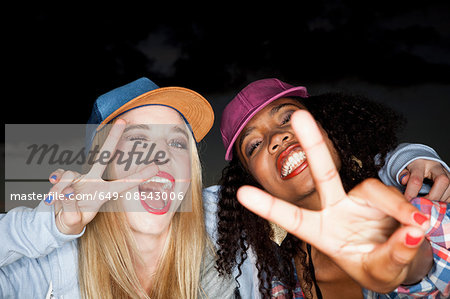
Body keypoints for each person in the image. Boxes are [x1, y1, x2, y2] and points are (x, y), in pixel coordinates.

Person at [210, 78, 450, 298]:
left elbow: (431, 252)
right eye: (254, 145)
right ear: (255, 181)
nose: (276, 137)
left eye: (287, 118)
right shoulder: (278, 277)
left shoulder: (420, 204)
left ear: (327, 128)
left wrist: (407, 261)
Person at [0, 78, 236, 298]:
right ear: (103, 168)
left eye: (176, 142)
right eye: (138, 140)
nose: (161, 155)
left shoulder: (218, 243)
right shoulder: (53, 268)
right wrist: (47, 227)